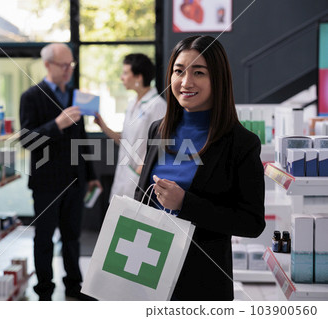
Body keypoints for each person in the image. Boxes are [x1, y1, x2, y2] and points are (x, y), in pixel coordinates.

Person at [134, 35, 265, 301]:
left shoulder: (240, 143)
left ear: (218, 79)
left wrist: (185, 204)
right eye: (179, 71)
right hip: (145, 269)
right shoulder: (158, 130)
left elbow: (252, 223)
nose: (185, 82)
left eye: (198, 72)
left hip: (201, 280)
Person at [19, 43, 102, 301]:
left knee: (72, 238)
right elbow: (27, 139)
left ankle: (74, 286)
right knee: (44, 238)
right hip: (46, 182)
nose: (68, 70)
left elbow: (82, 137)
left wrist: (90, 174)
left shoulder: (76, 96)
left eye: (71, 65)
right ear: (47, 65)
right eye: (63, 65)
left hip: (75, 180)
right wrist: (57, 124)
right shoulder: (31, 96)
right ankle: (44, 290)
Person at [94, 54, 166, 200]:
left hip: (138, 177)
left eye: (126, 73)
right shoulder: (132, 103)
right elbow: (124, 140)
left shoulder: (157, 105)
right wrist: (103, 125)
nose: (122, 78)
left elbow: (161, 144)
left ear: (139, 77)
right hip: (124, 174)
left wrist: (140, 171)